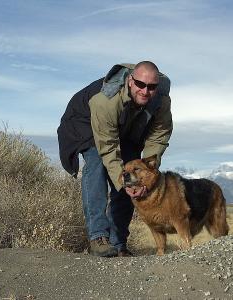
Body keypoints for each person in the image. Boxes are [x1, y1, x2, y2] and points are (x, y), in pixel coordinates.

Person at [57, 61, 173, 257]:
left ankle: (118, 243)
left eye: (151, 87)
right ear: (130, 81)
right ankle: (98, 237)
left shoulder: (161, 99)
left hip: (125, 126)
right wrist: (122, 180)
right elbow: (108, 147)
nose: (145, 91)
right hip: (85, 121)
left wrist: (147, 172)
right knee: (97, 163)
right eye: (140, 84)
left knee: (134, 176)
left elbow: (159, 135)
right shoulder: (106, 100)